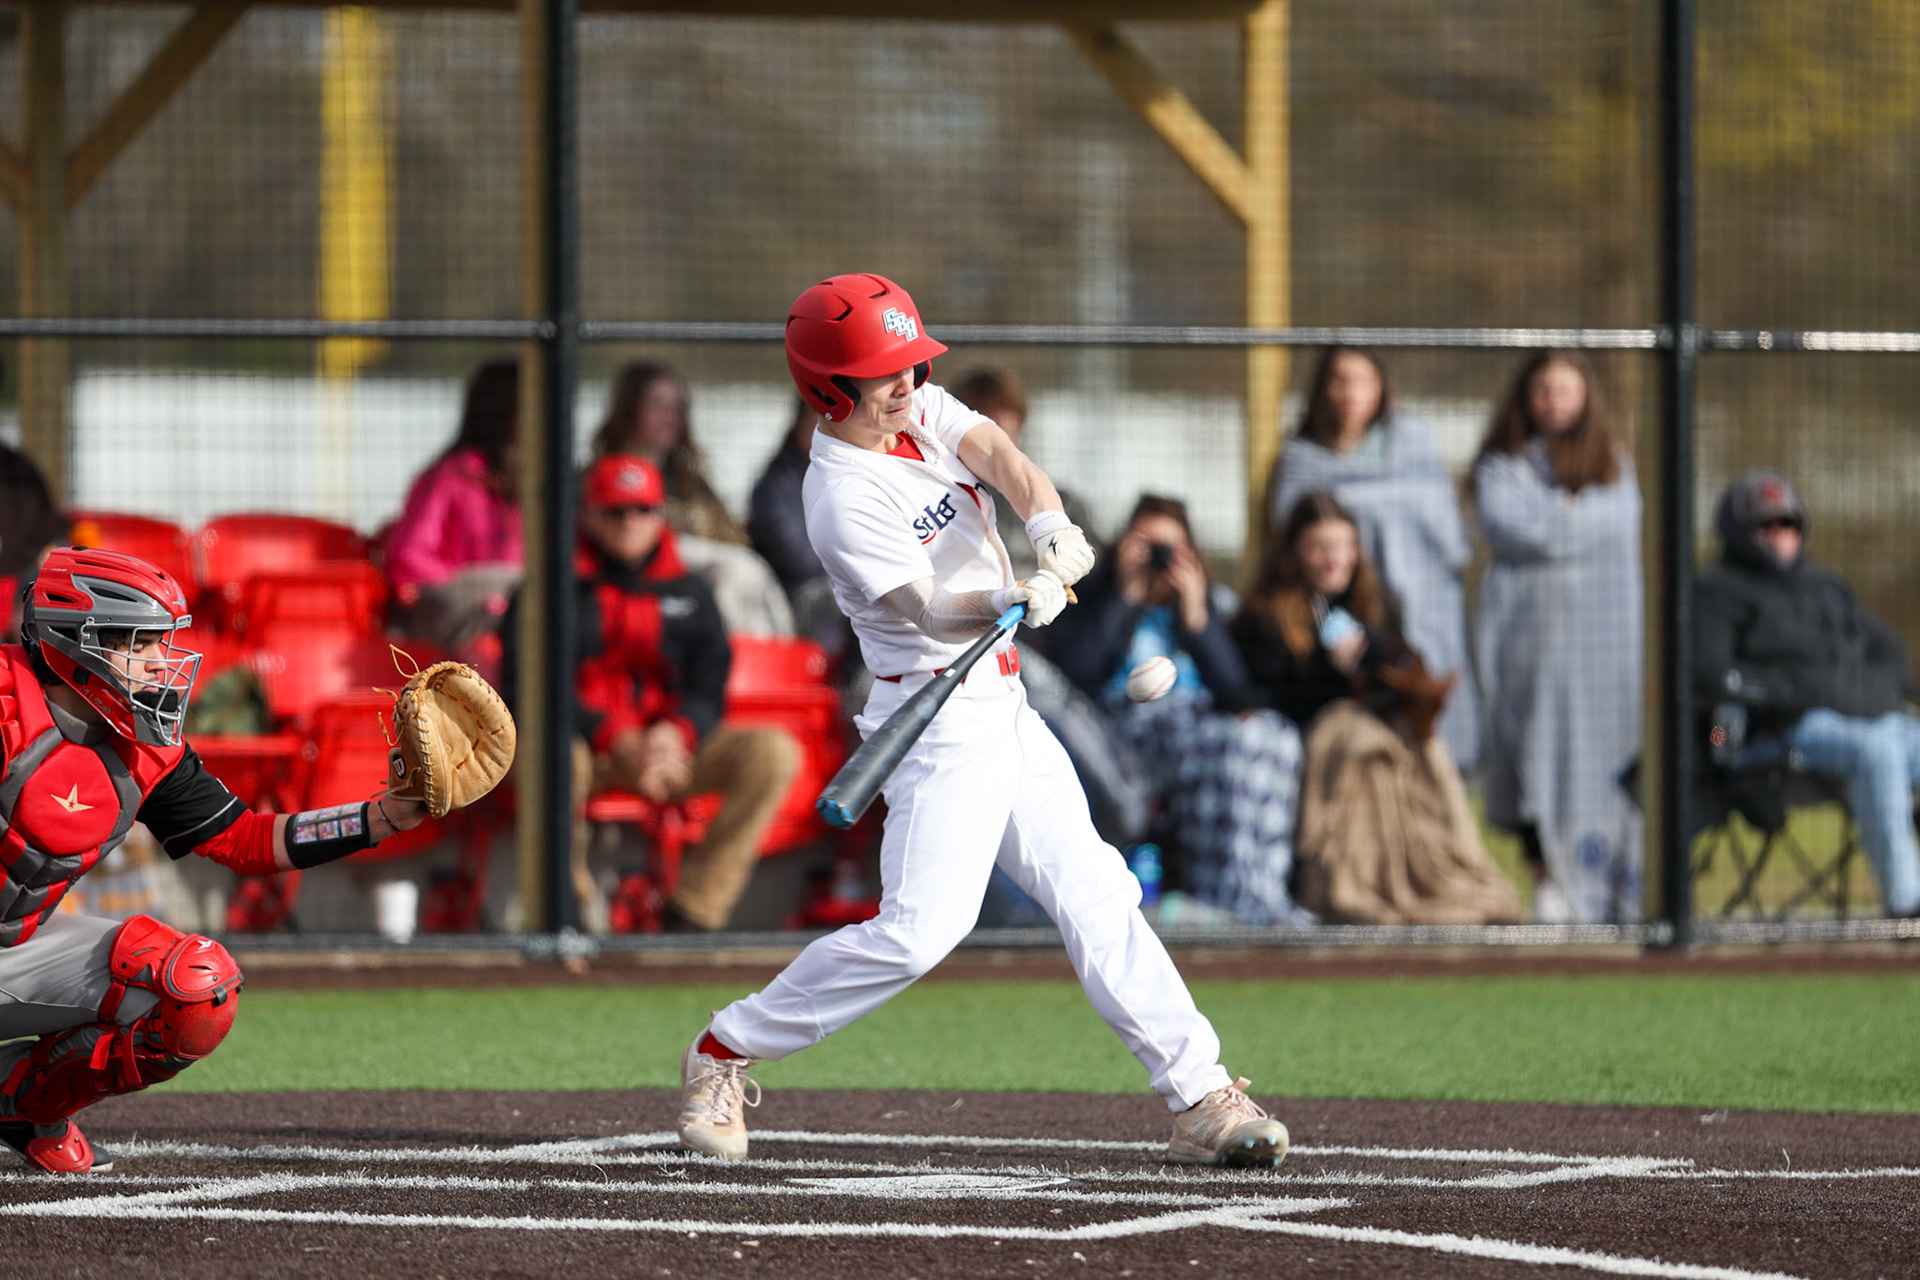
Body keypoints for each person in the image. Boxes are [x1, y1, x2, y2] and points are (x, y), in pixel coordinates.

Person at [675, 273, 1287, 1169]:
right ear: (828, 387)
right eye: (886, 373)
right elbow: (925, 606)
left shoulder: (911, 405)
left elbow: (998, 450)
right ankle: (724, 1050)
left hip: (1003, 700)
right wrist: (1011, 592)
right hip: (934, 718)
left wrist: (1048, 525)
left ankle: (1202, 1096)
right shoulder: (839, 493)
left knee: (1099, 892)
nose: (909, 384)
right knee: (920, 931)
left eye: (911, 366)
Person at [0, 547, 433, 1174]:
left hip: (18, 944)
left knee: (196, 989)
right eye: (143, 644)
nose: (162, 664)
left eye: (163, 642)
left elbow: (248, 840)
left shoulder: (148, 748)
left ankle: (21, 1103)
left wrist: (380, 816)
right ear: (78, 641)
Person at [502, 454, 800, 933]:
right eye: (614, 511)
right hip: (585, 751)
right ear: (588, 513)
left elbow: (708, 683)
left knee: (772, 752)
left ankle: (694, 912)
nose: (629, 523)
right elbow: (528, 688)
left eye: (642, 510)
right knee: (555, 758)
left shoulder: (690, 590)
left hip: (665, 754)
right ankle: (568, 911)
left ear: (660, 514)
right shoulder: (549, 589)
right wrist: (613, 736)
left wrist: (674, 735)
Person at [1236, 492, 1520, 925]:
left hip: (1378, 725)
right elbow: (1271, 696)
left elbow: (1398, 672)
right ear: (1295, 552)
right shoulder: (1265, 616)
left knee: (1423, 746)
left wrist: (1377, 668)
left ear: (1355, 551)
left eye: (1341, 547)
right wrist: (1331, 673)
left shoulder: (1376, 601)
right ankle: (1355, 883)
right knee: (1358, 744)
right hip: (1315, 735)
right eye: (1318, 548)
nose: (1332, 560)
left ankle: (1437, 867)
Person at [1048, 494, 1309, 926]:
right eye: (1147, 545)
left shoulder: (1208, 604)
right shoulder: (1094, 597)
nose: (1159, 557)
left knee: (1274, 735)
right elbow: (1079, 674)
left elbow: (1235, 691)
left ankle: (1260, 892)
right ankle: (1229, 895)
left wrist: (1195, 617)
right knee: (1238, 742)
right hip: (1124, 730)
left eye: (1171, 548)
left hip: (1200, 722)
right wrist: (1127, 596)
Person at [1696, 469, 1920, 918]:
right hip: (1777, 736)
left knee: (1894, 738)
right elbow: (1710, 674)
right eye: (1765, 527)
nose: (1779, 537)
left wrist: (1865, 693)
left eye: (1788, 525)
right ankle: (1907, 906)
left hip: (1866, 717)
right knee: (1875, 749)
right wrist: (1793, 692)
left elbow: (1889, 653)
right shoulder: (1716, 590)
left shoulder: (1826, 586)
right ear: (1739, 533)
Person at [1472, 351, 1643, 924]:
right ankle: (1547, 880)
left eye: (1565, 390)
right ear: (1525, 397)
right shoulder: (1499, 465)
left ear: (1586, 396)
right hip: (1530, 648)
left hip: (1606, 653)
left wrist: (1553, 519)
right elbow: (1516, 528)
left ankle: (1613, 885)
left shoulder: (1615, 463)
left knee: (1607, 763)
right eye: (1542, 390)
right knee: (1530, 754)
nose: (1553, 402)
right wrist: (1573, 517)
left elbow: (1615, 519)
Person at [1265, 347, 1479, 767]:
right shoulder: (1299, 456)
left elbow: (1441, 523)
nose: (1350, 392)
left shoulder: (1412, 442)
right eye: (1339, 380)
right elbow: (1289, 522)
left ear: (1380, 388)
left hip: (1417, 610)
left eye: (1362, 380)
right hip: (1339, 612)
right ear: (1322, 389)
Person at [594, 363, 792, 635]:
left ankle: (771, 660)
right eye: (658, 406)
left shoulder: (689, 482)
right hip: (639, 588)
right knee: (736, 570)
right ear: (630, 410)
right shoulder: (602, 477)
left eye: (677, 409)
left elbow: (733, 539)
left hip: (705, 590)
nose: (670, 418)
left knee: (746, 569)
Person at [382, 358, 524, 653]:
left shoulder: (544, 481)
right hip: (460, 619)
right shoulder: (451, 477)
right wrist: (470, 591)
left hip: (517, 611)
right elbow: (407, 554)